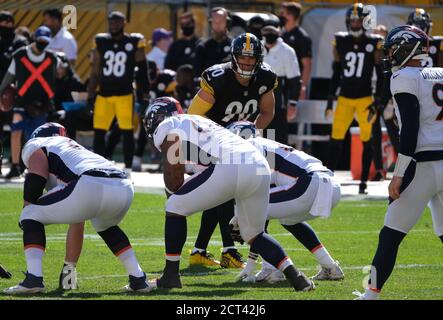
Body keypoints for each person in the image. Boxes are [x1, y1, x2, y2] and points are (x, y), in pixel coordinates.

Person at [142, 96, 315, 292]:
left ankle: (171, 276)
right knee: (254, 234)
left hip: (231, 164)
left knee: (174, 206)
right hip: (259, 164)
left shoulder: (167, 125)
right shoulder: (199, 121)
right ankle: (297, 277)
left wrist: (173, 194)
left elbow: (174, 178)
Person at [3, 122, 154, 294]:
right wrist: (69, 271)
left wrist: (27, 204)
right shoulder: (74, 150)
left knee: (29, 214)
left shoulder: (38, 144)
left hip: (88, 183)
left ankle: (33, 279)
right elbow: (77, 220)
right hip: (123, 186)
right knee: (106, 226)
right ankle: (138, 279)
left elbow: (36, 177)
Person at [354, 25, 443, 300]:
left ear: (407, 49)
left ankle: (371, 296)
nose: (390, 55)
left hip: (421, 165)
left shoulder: (404, 76)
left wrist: (399, 173)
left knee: (390, 235)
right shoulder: (440, 73)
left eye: (393, 50)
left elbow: (411, 128)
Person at [187, 33, 277, 268]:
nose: (247, 62)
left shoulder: (265, 77)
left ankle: (199, 251)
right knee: (224, 192)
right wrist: (221, 137)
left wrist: (250, 131)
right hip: (210, 139)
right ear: (234, 57)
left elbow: (267, 111)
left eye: (251, 58)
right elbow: (193, 116)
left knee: (220, 194)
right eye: (243, 58)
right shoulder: (218, 77)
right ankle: (229, 250)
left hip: (241, 143)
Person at [226, 121, 343, 283]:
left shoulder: (251, 148)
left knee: (253, 211)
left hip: (308, 183)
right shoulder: (267, 145)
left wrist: (240, 218)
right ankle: (330, 267)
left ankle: (271, 269)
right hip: (332, 185)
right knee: (289, 220)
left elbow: (257, 210)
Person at [324, 3, 384, 194]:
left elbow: (381, 74)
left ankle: (363, 182)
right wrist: (330, 98)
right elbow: (335, 72)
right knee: (335, 139)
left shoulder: (375, 41)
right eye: (353, 20)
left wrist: (379, 100)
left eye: (359, 20)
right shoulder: (340, 40)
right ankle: (328, 179)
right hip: (344, 97)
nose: (355, 23)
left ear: (365, 21)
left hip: (365, 98)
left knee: (368, 140)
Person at [87, 11, 149, 177]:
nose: (113, 25)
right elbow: (95, 70)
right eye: (111, 22)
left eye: (117, 22)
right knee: (99, 131)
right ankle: (98, 167)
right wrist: (90, 94)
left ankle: (128, 170)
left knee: (126, 132)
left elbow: (143, 69)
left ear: (124, 23)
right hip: (104, 94)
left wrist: (145, 95)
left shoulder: (134, 41)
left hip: (125, 94)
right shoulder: (101, 41)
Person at [0, 26, 59, 180]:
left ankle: (36, 169)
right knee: (16, 131)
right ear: (35, 38)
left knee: (38, 138)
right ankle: (15, 167)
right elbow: (9, 77)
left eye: (45, 41)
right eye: (40, 40)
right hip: (21, 101)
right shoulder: (20, 55)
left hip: (42, 103)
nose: (42, 43)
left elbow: (58, 76)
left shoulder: (52, 58)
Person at [0, 11, 29, 176]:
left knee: (17, 132)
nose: (7, 25)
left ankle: (17, 165)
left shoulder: (20, 43)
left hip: (15, 93)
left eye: (9, 22)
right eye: (4, 23)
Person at [262, 25, 300, 144]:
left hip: (277, 103)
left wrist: (292, 103)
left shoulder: (287, 51)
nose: (269, 34)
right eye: (266, 31)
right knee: (255, 139)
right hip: (256, 103)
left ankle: (274, 163)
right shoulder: (257, 47)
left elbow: (294, 80)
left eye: (272, 31)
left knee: (274, 141)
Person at [279, 2, 312, 100]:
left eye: (283, 13)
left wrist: (302, 87)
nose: (281, 16)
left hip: (293, 84)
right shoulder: (281, 34)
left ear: (291, 15)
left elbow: (307, 64)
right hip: (280, 82)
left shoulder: (302, 37)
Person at [194, 7, 233, 77]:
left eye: (221, 21)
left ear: (227, 22)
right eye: (215, 22)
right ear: (211, 23)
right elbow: (197, 74)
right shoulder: (203, 47)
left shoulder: (234, 46)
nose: (218, 25)